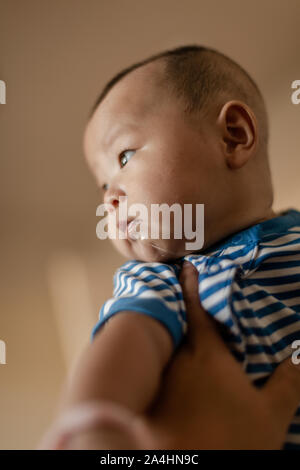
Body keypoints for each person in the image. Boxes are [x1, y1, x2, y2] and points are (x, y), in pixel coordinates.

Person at [37, 45, 300, 449]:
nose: (110, 197)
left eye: (124, 156)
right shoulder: (162, 279)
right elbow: (130, 340)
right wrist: (93, 425)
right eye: (103, 185)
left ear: (233, 136)